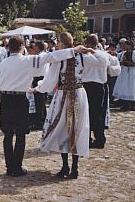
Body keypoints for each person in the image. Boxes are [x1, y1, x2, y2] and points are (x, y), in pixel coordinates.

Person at [0, 35, 92, 177]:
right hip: (22, 98)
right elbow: (50, 57)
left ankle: (10, 167)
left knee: (8, 134)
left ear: (9, 47)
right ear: (22, 47)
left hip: (5, 99)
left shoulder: (4, 63)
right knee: (21, 134)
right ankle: (17, 167)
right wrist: (74, 50)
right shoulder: (28, 60)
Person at [30, 32, 107, 179]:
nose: (57, 45)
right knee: (76, 129)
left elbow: (50, 80)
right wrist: (92, 50)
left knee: (63, 128)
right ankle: (74, 168)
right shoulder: (81, 56)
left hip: (64, 94)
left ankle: (66, 167)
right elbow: (103, 61)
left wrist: (37, 88)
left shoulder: (61, 57)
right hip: (79, 93)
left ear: (62, 43)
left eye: (58, 42)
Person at [83, 34, 117, 149]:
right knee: (98, 114)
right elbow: (113, 64)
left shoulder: (84, 55)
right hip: (99, 86)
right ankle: (99, 139)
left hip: (87, 86)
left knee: (86, 113)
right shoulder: (104, 55)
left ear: (87, 43)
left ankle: (87, 139)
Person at [113, 40, 135, 110]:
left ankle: (129, 104)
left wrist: (127, 61)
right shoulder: (124, 52)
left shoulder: (134, 53)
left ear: (129, 45)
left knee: (129, 87)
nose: (124, 46)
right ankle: (123, 103)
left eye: (125, 45)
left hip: (130, 71)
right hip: (124, 71)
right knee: (124, 87)